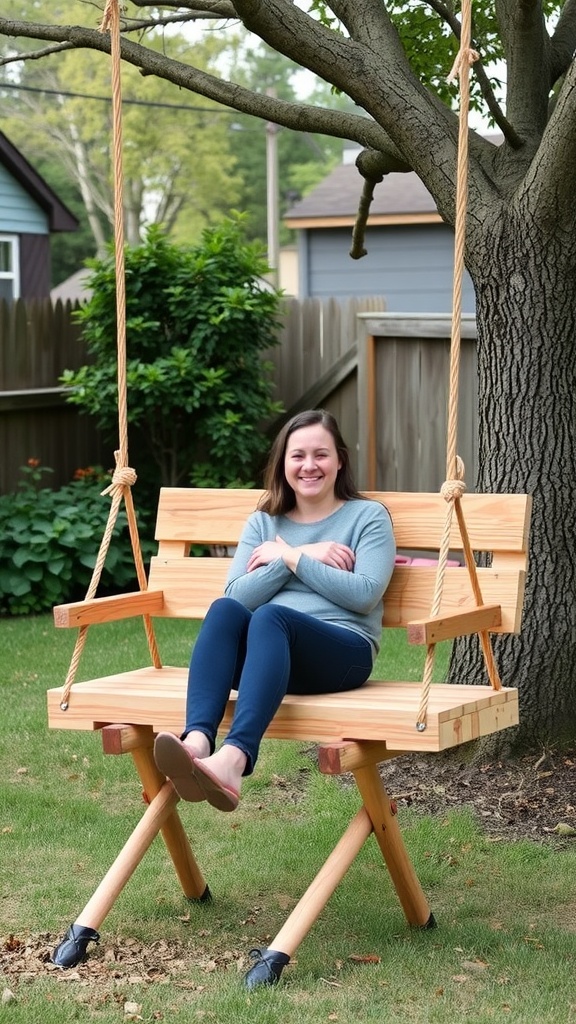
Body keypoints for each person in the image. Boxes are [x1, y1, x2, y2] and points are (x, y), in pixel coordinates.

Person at [154, 409, 396, 812]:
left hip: (342, 654)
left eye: (320, 454)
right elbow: (237, 594)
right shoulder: (263, 522)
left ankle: (234, 759)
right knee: (226, 611)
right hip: (272, 661)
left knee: (270, 617)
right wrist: (301, 553)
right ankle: (196, 742)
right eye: (297, 455)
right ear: (283, 463)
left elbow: (365, 595)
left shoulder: (367, 517)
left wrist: (290, 557)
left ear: (339, 460)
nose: (309, 466)